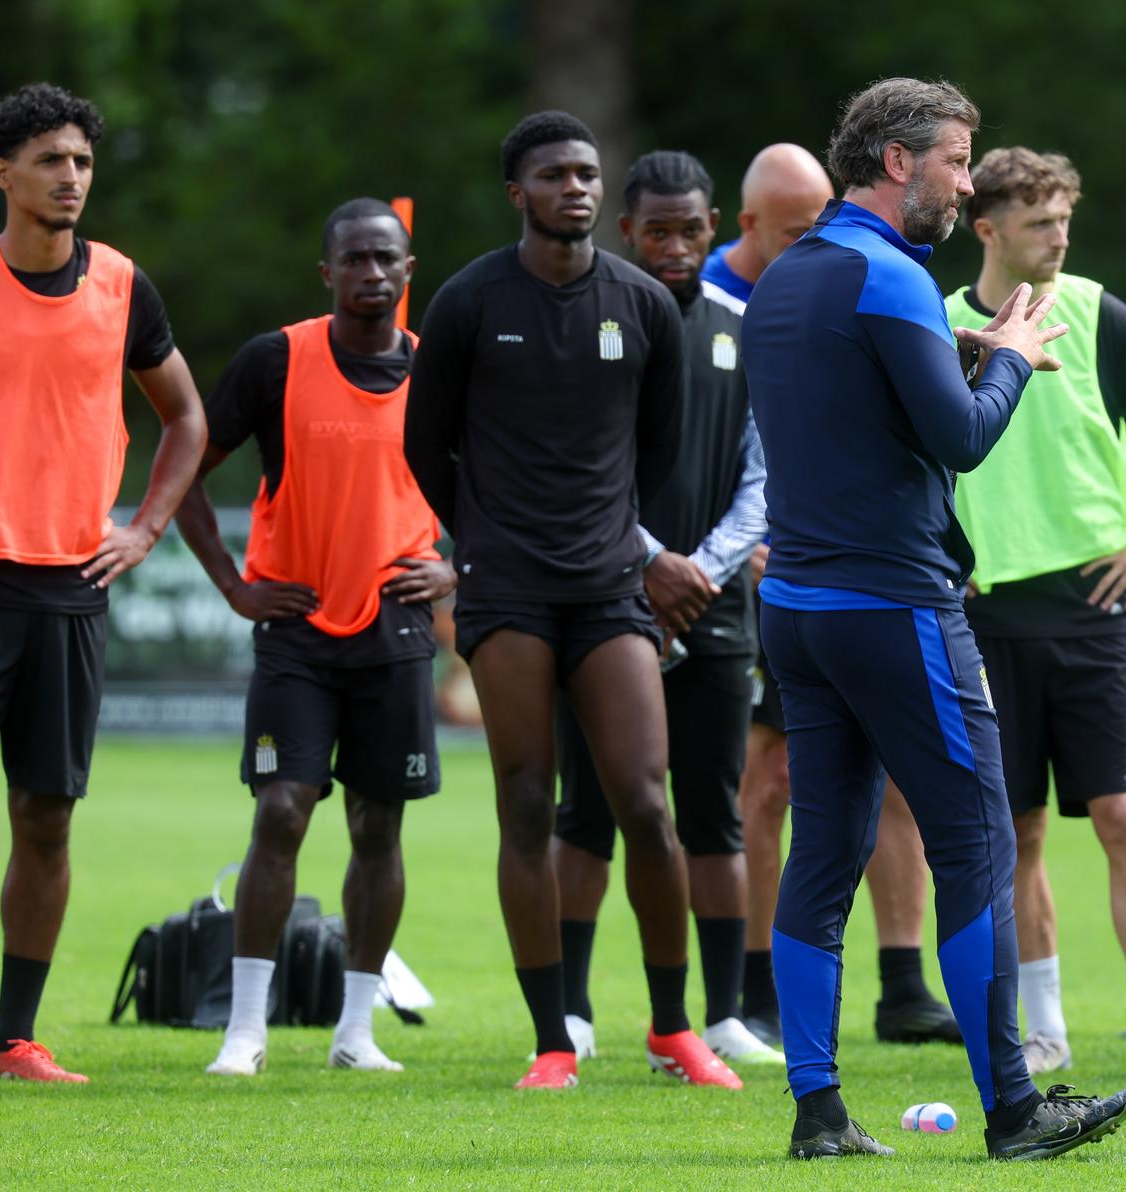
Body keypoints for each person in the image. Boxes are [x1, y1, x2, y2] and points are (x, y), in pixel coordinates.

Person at [745, 77, 1126, 1160]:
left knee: (822, 853)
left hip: (796, 612)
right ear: (896, 162)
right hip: (893, 606)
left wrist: (960, 350)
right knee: (973, 842)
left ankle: (818, 1112)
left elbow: (848, 401)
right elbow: (963, 438)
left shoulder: (790, 276)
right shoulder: (891, 276)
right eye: (958, 161)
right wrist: (1008, 354)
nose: (966, 183)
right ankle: (1017, 1110)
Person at [404, 110, 737, 1092]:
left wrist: (612, 535)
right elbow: (426, 445)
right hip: (506, 588)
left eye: (588, 172)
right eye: (555, 175)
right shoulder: (470, 301)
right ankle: (554, 1038)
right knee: (525, 803)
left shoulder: (641, 303)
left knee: (646, 800)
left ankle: (675, 1027)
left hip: (606, 586)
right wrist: (485, 534)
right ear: (519, 192)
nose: (577, 188)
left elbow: (659, 448)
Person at [947, 147, 1126, 1082]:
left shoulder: (1098, 311)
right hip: (985, 618)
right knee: (1016, 831)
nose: (1060, 237)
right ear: (986, 228)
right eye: (1039, 222)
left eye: (1066, 218)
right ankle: (1047, 1032)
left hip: (1095, 607)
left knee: (1124, 817)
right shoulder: (940, 326)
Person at [0, 83, 206, 1087]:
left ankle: (16, 1038)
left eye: (83, 163)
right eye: (51, 160)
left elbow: (184, 418)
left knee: (45, 816)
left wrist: (144, 528)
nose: (71, 178)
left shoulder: (124, 288)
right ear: (4, 173)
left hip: (71, 589)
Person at [180, 199, 450, 1077]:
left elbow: (508, 483)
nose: (373, 274)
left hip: (397, 627)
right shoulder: (276, 360)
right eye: (356, 260)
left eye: (388, 260)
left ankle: (355, 1032)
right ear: (326, 273)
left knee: (380, 828)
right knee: (281, 812)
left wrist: (458, 570)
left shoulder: (442, 369)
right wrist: (232, 584)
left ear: (410, 273)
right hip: (295, 628)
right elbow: (184, 466)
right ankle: (245, 1030)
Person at [708, 144, 960, 1050]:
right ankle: (755, 995)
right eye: (791, 229)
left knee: (861, 806)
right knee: (782, 790)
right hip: (828, 586)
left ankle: (886, 1006)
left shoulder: (810, 279)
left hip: (814, 592)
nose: (810, 240)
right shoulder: (726, 303)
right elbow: (959, 437)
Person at [548, 150, 780, 1067]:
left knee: (712, 810)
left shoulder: (745, 329)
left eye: (691, 229)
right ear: (627, 233)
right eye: (657, 232)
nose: (675, 247)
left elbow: (769, 474)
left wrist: (704, 570)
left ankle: (716, 1016)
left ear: (715, 226)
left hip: (715, 608)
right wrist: (650, 562)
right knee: (589, 813)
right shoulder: (586, 324)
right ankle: (569, 1010)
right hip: (602, 597)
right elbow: (572, 469)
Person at [703, 143, 836, 305]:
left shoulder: (830, 290)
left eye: (823, 230)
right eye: (797, 233)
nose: (815, 245)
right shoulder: (703, 296)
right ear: (750, 223)